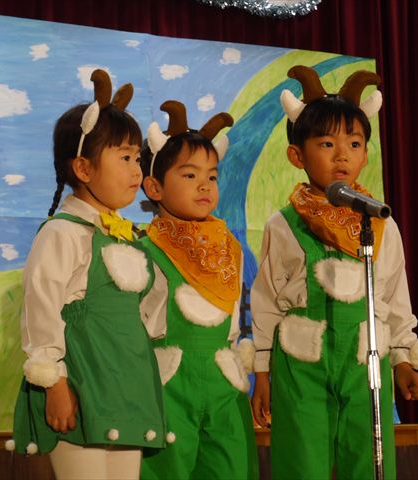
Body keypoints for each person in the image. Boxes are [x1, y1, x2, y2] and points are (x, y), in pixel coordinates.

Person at [250, 66, 418, 480]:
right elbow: (266, 301)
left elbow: (393, 296)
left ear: (366, 154)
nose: (342, 155)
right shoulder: (283, 224)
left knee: (367, 462)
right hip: (302, 364)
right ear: (297, 155)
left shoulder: (380, 222)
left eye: (354, 143)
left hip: (364, 363)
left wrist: (403, 359)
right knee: (302, 465)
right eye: (327, 143)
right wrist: (261, 371)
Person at [9, 69, 166, 480]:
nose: (136, 170)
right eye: (124, 158)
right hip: (80, 387)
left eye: (137, 158)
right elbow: (42, 308)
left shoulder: (126, 237)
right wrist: (55, 384)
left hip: (124, 392)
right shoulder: (62, 233)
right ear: (82, 167)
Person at [138, 100, 259, 480]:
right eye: (189, 175)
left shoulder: (229, 248)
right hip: (168, 385)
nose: (205, 185)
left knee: (229, 469)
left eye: (212, 176)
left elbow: (235, 321)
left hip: (224, 386)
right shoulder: (142, 250)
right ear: (154, 186)